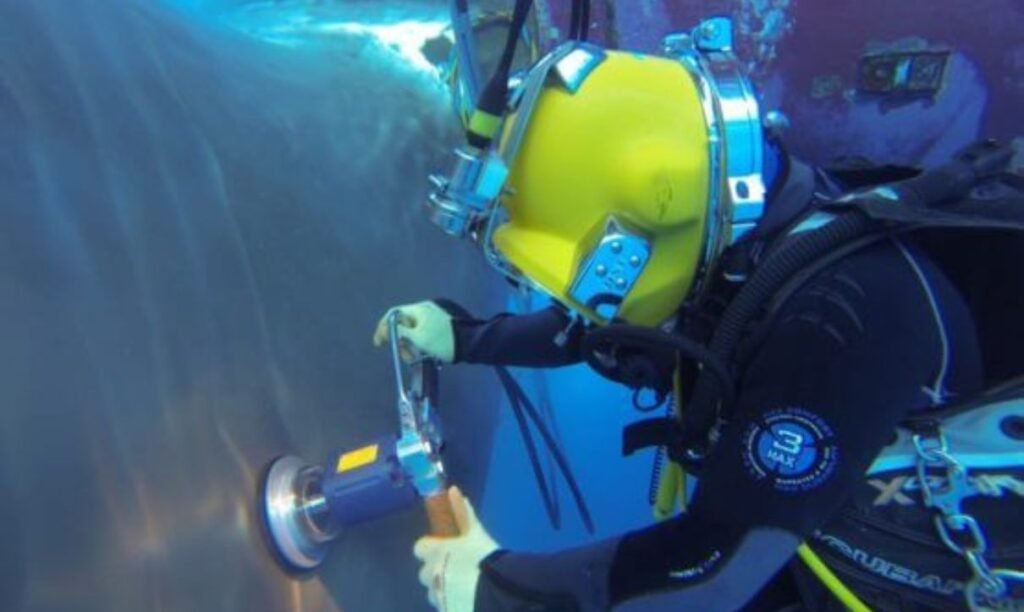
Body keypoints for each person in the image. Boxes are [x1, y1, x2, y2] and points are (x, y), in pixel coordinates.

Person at [375, 13, 1024, 612]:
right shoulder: (746, 230)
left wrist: (495, 590)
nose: (587, 306)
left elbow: (717, 568)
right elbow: (604, 328)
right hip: (792, 525)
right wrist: (465, 338)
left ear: (640, 239)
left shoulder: (836, 325)